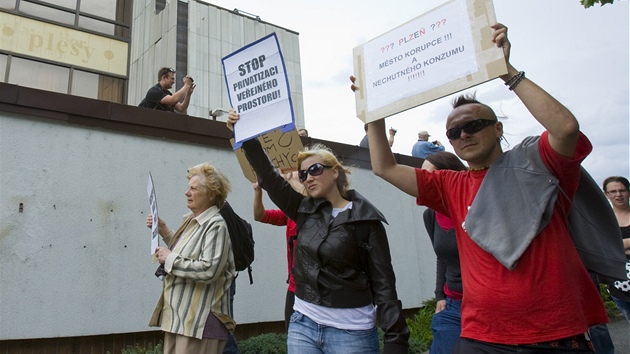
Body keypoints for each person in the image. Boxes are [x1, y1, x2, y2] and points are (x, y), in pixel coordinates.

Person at [355, 22, 612, 353]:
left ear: (498, 128)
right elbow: (384, 167)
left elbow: (565, 128)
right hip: (480, 338)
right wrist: (373, 111)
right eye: (453, 132)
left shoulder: (539, 164)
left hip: (554, 336)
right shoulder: (450, 185)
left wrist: (505, 70)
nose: (463, 134)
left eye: (474, 125)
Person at [227, 111, 410, 354]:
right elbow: (270, 179)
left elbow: (384, 284)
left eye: (314, 169)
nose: (307, 178)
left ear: (335, 171)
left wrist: (395, 339)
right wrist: (245, 136)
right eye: (303, 174)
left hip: (351, 332)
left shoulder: (365, 219)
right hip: (303, 324)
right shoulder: (302, 210)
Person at [146, 162, 235, 354]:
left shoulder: (215, 225)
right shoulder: (192, 220)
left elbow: (208, 269)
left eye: (193, 189)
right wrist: (164, 231)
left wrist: (169, 259)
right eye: (188, 188)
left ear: (211, 194)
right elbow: (186, 253)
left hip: (199, 324)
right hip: (181, 319)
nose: (187, 193)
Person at [421, 152, 466, 354]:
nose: (424, 181)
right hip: (452, 303)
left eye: (431, 175)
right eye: (422, 176)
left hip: (485, 303)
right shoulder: (430, 215)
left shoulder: (473, 206)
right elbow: (442, 258)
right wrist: (440, 295)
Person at [252, 175, 299, 330]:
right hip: (294, 288)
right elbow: (260, 216)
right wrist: (258, 191)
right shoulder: (290, 213)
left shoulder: (319, 212)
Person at [603, 176, 630, 322]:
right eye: (613, 191)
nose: (618, 195)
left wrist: (619, 245)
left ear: (628, 192)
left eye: (622, 190)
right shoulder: (605, 220)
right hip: (619, 288)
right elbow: (604, 248)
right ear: (606, 194)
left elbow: (613, 247)